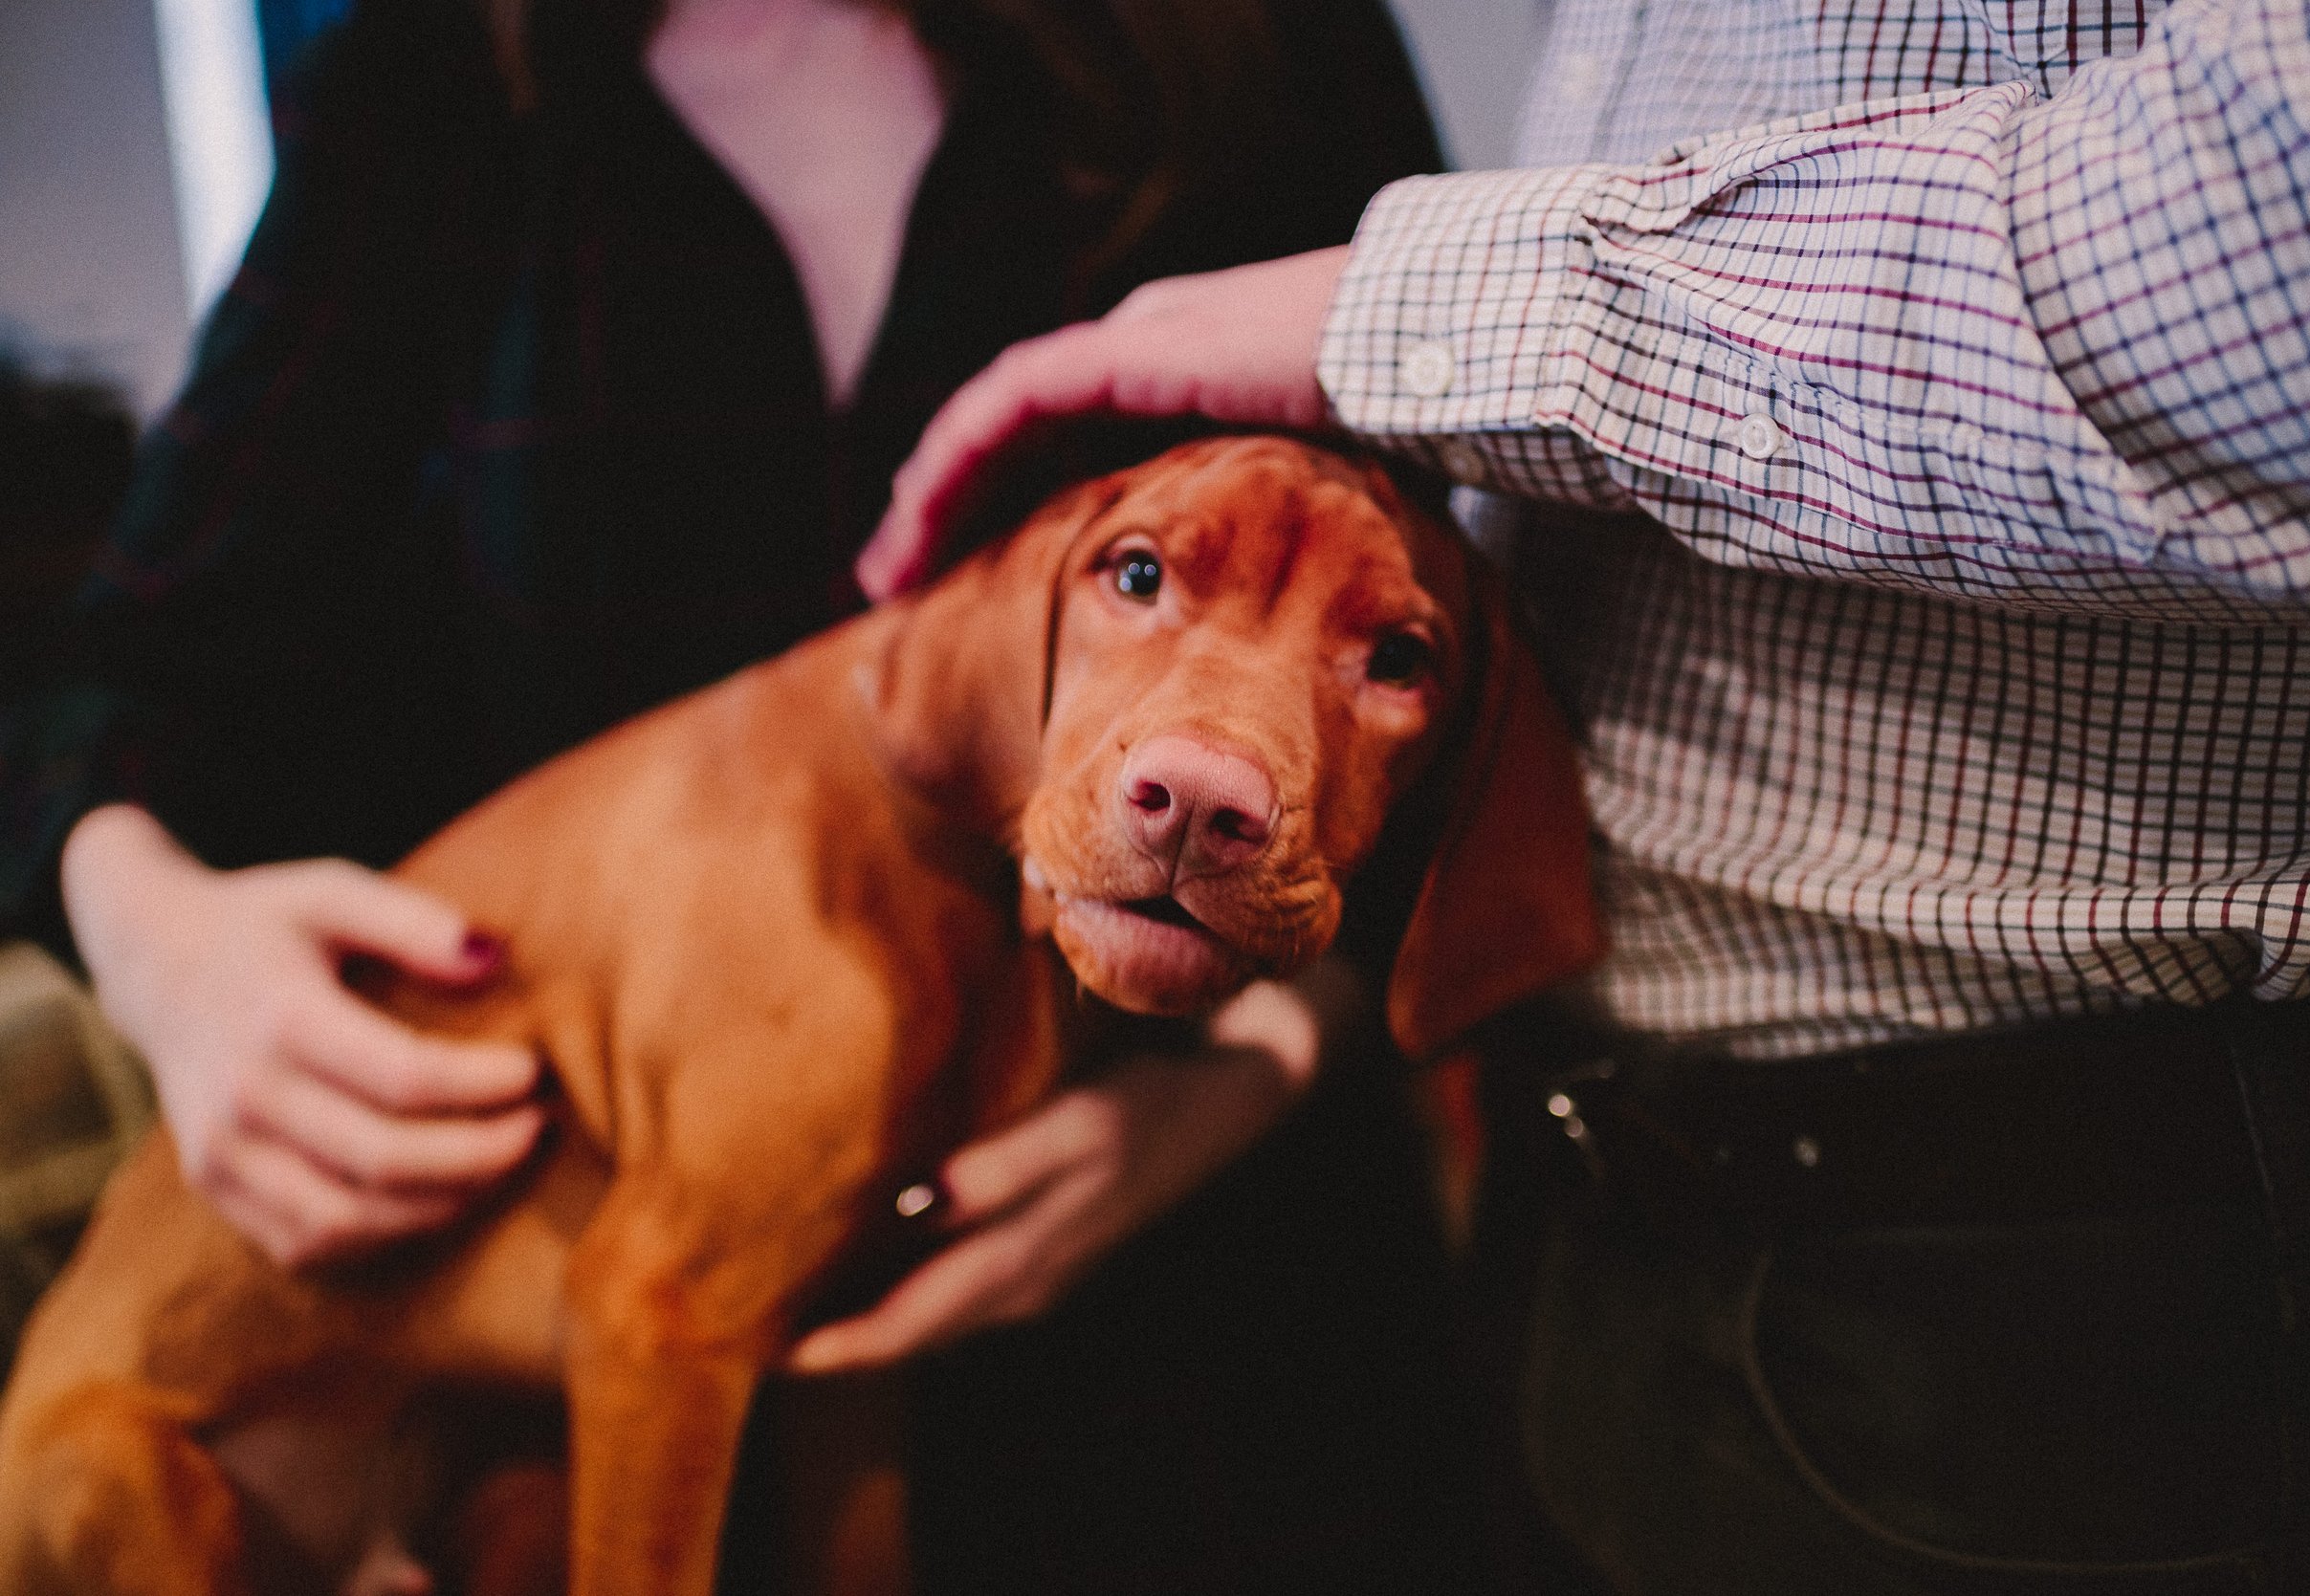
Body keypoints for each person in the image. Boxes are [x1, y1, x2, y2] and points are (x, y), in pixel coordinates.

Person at [846, 0, 2310, 1586]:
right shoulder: (585, 120)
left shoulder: (1253, 51)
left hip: (2040, 1230)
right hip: (1590, 1174)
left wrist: (1436, 303)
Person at [0, 1, 1482, 1588]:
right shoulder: (436, 67)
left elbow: (1464, 645)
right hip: (597, 1401)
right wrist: (162, 941)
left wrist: (1248, 1068)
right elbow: (134, 663)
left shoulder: (1275, 44)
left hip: (1223, 1343)